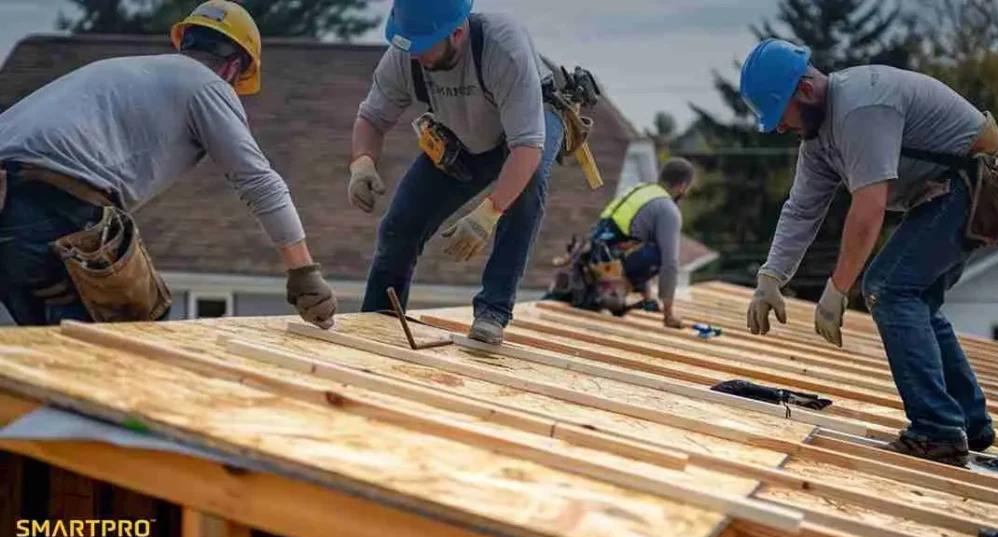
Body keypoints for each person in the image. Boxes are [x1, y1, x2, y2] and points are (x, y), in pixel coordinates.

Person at [738, 38, 998, 466]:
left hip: (980, 180)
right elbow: (801, 209)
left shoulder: (860, 107)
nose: (779, 127)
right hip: (946, 189)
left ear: (805, 90)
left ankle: (938, 432)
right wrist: (770, 277)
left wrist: (838, 289)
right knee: (916, 298)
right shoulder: (818, 139)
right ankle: (968, 422)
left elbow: (868, 208)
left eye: (781, 117)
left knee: (889, 288)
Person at [0, 0, 336, 330]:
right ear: (235, 66)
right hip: (49, 206)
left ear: (186, 40)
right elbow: (260, 183)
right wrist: (303, 274)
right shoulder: (206, 84)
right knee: (135, 336)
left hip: (11, 202)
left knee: (46, 348)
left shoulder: (118, 71)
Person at [348, 0, 565, 345]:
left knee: (528, 184)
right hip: (466, 135)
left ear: (457, 33)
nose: (415, 56)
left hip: (527, 130)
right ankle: (377, 319)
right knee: (399, 226)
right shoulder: (406, 51)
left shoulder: (503, 47)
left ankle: (493, 311)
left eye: (422, 47)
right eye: (410, 45)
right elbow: (372, 118)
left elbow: (527, 148)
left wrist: (489, 212)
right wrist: (362, 163)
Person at [543, 158, 697, 328]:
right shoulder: (668, 209)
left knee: (645, 246)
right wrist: (669, 315)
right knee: (661, 254)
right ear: (682, 186)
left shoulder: (641, 190)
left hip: (589, 263)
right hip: (605, 272)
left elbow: (631, 240)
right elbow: (670, 263)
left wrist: (648, 298)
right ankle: (611, 296)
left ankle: (611, 293)